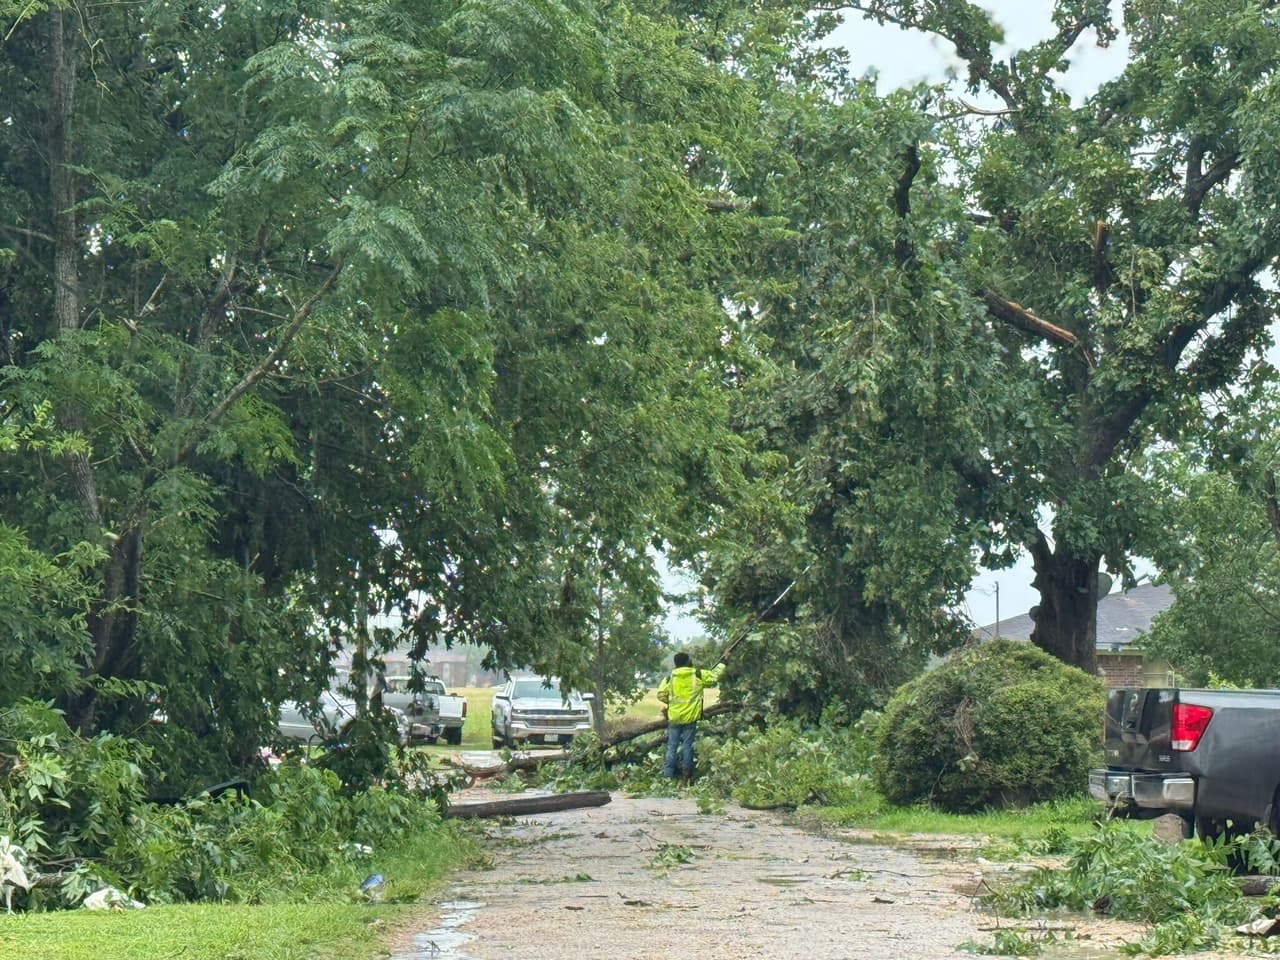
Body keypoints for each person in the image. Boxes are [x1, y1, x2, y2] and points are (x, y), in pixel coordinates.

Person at [656, 651, 726, 783]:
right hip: (690, 718)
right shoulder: (698, 674)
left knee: (672, 747)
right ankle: (686, 776)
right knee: (688, 746)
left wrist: (670, 701)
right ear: (688, 662)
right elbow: (715, 676)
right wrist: (724, 661)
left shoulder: (670, 678)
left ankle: (667, 776)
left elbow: (660, 694)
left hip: (674, 717)